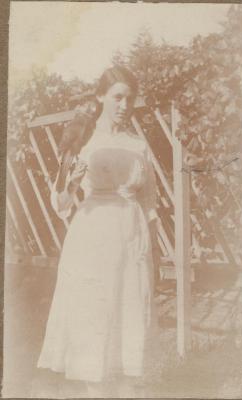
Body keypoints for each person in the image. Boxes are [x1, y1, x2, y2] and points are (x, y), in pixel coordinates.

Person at [37, 65, 160, 397]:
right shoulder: (84, 140)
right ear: (100, 97)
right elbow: (60, 201)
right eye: (117, 97)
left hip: (133, 241)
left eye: (130, 99)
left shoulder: (138, 145)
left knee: (129, 332)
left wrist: (154, 259)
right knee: (96, 325)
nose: (124, 105)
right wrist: (72, 182)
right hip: (93, 240)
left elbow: (149, 205)